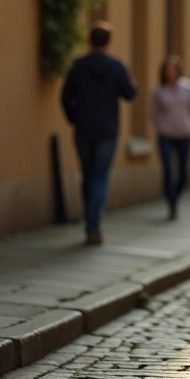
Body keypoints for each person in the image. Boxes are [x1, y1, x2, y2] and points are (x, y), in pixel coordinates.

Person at [60, 22, 138, 245]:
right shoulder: (116, 66)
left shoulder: (78, 65)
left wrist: (74, 118)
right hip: (107, 129)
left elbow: (65, 97)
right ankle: (93, 224)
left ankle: (90, 220)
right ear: (108, 42)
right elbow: (130, 94)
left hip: (83, 128)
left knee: (87, 174)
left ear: (90, 40)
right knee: (100, 176)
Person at [152, 55, 190, 220]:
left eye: (173, 68)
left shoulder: (188, 87)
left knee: (183, 174)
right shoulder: (159, 90)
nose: (170, 72)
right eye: (168, 69)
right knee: (168, 169)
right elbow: (154, 112)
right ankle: (171, 203)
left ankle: (175, 196)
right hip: (165, 134)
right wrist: (160, 126)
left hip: (184, 134)